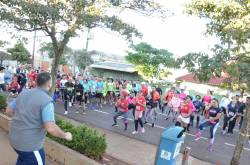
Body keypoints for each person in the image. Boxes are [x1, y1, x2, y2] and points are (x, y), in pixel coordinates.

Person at [5, 72, 72, 165]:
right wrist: (65, 135)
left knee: (23, 158)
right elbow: (51, 128)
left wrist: (22, 118)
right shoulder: (47, 101)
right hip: (29, 146)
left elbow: (8, 110)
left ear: (36, 82)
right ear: (49, 83)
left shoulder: (24, 93)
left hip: (14, 139)